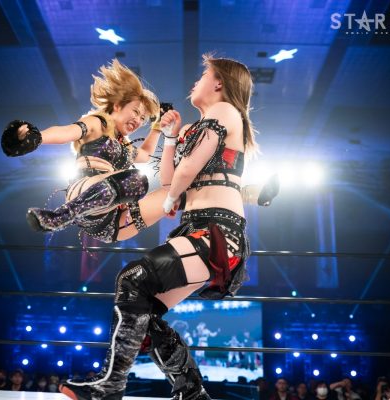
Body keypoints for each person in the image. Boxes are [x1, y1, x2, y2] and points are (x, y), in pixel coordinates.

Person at [60, 54, 258, 400]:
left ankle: (110, 386)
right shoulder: (200, 125)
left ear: (219, 83)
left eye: (204, 74)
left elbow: (184, 175)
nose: (196, 81)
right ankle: (191, 393)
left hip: (216, 232)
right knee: (143, 311)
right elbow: (169, 179)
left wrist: (170, 200)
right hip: (197, 231)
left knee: (133, 279)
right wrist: (170, 137)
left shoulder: (225, 111)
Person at [2, 59, 164, 243]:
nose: (138, 120)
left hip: (110, 225)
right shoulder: (98, 123)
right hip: (83, 191)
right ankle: (61, 216)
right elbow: (66, 132)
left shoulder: (125, 146)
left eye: (143, 118)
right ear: (118, 105)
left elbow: (145, 155)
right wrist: (36, 137)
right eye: (135, 112)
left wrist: (158, 126)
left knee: (156, 189)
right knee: (136, 179)